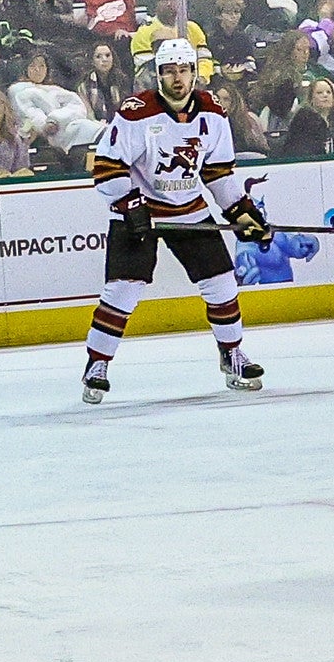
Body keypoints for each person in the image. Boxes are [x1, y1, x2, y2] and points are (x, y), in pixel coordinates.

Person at [78, 38, 270, 405]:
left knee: (222, 284)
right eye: (169, 71)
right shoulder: (136, 112)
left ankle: (232, 355)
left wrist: (244, 214)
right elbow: (106, 165)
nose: (177, 77)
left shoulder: (213, 113)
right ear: (158, 74)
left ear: (194, 73)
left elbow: (217, 173)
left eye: (183, 70)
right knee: (123, 290)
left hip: (189, 211)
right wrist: (130, 204)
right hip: (140, 210)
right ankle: (96, 364)